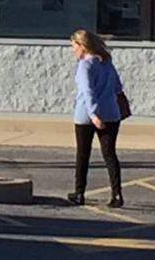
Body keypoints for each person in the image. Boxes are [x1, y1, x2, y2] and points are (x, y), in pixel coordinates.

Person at [67, 29, 125, 208]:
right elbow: (117, 86)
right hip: (111, 113)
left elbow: (88, 91)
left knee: (83, 154)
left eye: (74, 46)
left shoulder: (85, 65)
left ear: (82, 46)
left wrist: (94, 114)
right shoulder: (106, 62)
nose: (72, 50)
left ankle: (79, 192)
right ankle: (116, 194)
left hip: (86, 115)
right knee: (110, 154)